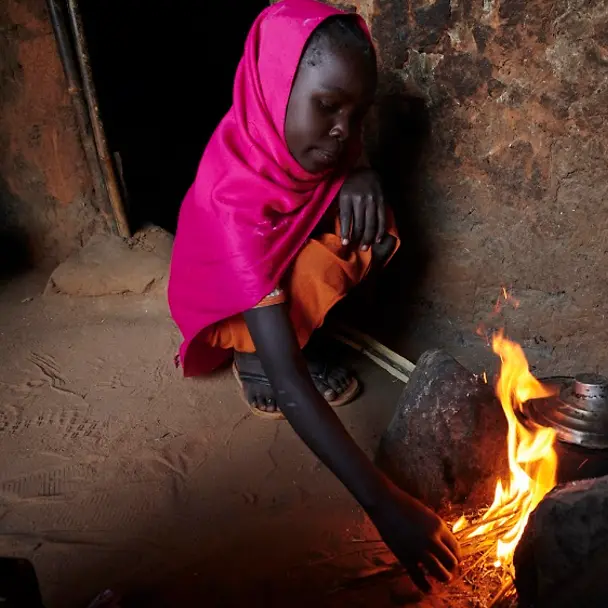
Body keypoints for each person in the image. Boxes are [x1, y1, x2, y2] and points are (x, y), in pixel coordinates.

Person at [167, 0, 459, 591]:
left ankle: (295, 328)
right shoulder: (235, 207)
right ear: (274, 89)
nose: (343, 131)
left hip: (270, 258)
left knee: (372, 229)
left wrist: (361, 170)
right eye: (328, 107)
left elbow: (350, 149)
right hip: (227, 293)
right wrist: (387, 508)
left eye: (358, 115)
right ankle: (253, 359)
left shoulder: (308, 142)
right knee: (284, 359)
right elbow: (295, 389)